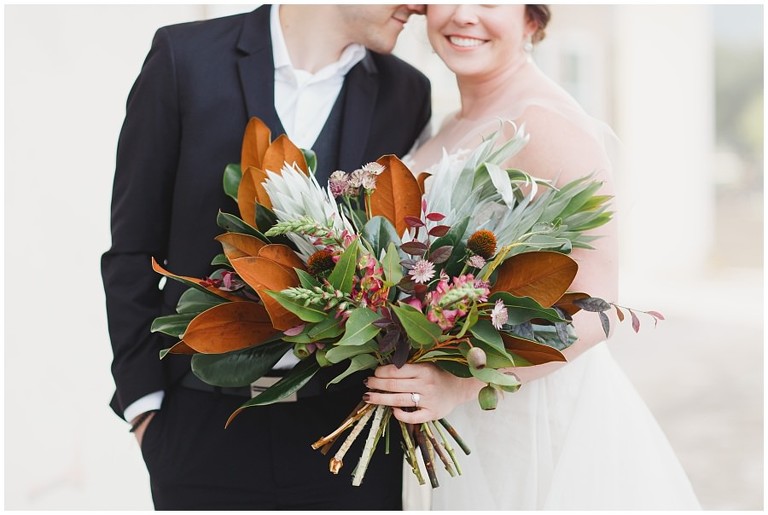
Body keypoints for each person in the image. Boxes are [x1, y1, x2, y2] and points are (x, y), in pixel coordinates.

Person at [363, 4, 702, 510]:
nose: (462, 16)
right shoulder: (450, 119)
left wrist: (460, 382)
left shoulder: (544, 122)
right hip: (444, 406)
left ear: (532, 21)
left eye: (489, 2)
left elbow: (599, 306)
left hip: (520, 411)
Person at [101, 4, 430, 510]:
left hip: (348, 436)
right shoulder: (183, 58)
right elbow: (131, 248)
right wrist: (145, 411)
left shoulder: (406, 91)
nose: (421, 5)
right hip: (200, 429)